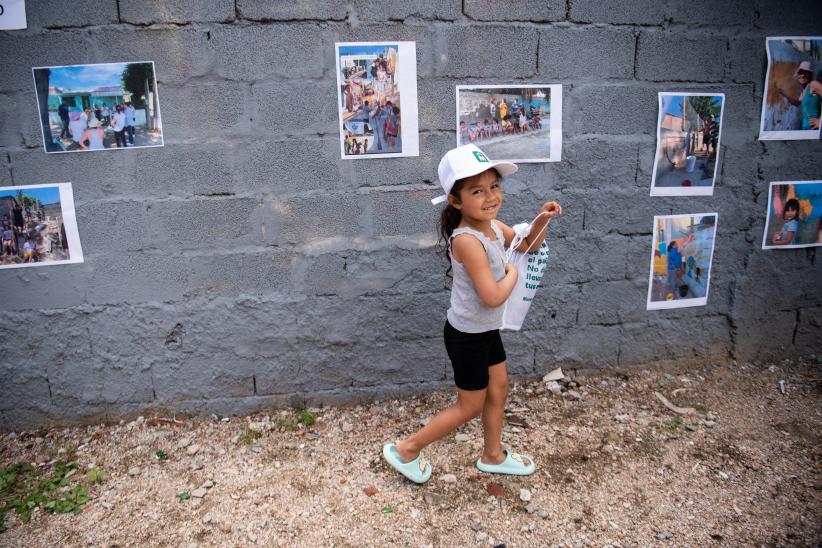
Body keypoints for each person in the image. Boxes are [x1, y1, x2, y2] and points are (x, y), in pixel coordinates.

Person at [382, 144, 562, 483]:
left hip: (485, 331)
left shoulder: (493, 226)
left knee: (499, 388)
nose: (490, 196)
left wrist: (541, 218)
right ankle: (406, 450)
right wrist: (513, 274)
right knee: (470, 405)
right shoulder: (466, 240)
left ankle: (492, 455)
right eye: (477, 191)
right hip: (467, 336)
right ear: (456, 201)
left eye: (494, 186)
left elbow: (528, 245)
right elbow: (493, 296)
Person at [778, 61, 821, 131]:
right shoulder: (804, 91)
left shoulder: (813, 85)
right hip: (806, 130)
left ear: (810, 75)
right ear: (798, 75)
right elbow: (797, 103)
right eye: (801, 72)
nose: (803, 75)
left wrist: (820, 122)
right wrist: (784, 94)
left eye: (806, 72)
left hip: (814, 130)